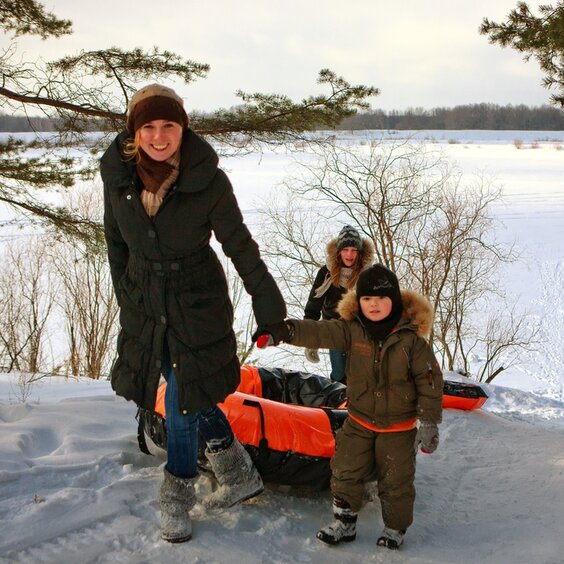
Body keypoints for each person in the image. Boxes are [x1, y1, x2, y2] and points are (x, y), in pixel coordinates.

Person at [100, 84, 287, 543]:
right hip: (146, 302)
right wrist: (127, 298)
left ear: (183, 128)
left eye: (169, 126)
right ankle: (235, 468)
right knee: (191, 392)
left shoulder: (207, 180)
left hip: (195, 301)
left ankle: (176, 496)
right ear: (134, 131)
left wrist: (268, 306)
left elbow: (239, 245)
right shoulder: (118, 177)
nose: (159, 136)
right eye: (149, 126)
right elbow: (116, 244)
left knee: (182, 401)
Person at [255, 263, 443, 550]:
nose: (374, 305)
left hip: (399, 428)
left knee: (396, 480)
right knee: (345, 470)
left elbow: (430, 382)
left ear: (393, 300)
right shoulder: (351, 330)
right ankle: (345, 521)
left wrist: (429, 422)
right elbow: (318, 332)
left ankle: (394, 527)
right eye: (367, 299)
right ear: (360, 302)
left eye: (381, 299)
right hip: (359, 421)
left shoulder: (411, 340)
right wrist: (284, 331)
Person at [303, 225, 374, 383]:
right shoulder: (326, 273)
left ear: (360, 252)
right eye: (345, 249)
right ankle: (339, 401)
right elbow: (313, 307)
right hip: (335, 330)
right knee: (340, 373)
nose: (349, 254)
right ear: (339, 251)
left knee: (362, 374)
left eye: (354, 250)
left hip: (361, 330)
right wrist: (310, 340)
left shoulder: (369, 274)